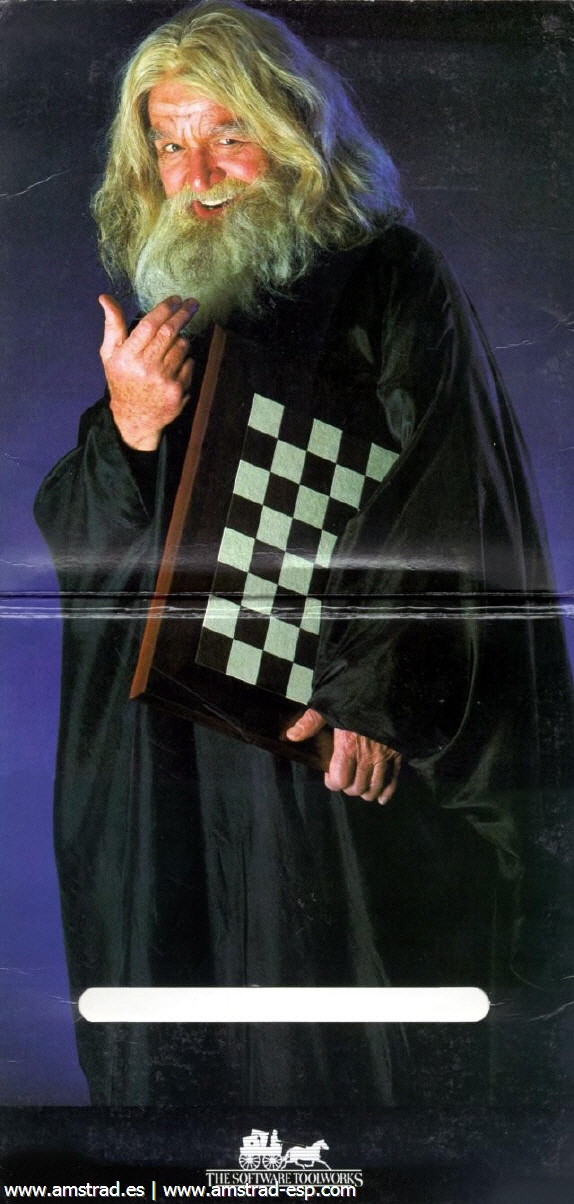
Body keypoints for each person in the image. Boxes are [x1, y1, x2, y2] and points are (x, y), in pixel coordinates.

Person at [35, 0, 573, 1108]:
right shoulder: (181, 306)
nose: (198, 174)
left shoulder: (390, 277)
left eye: (226, 134)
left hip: (325, 730)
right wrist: (130, 427)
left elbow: (446, 494)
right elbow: (83, 531)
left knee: (351, 1034)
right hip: (190, 743)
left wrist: (375, 696)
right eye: (169, 145)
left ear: (293, 131)